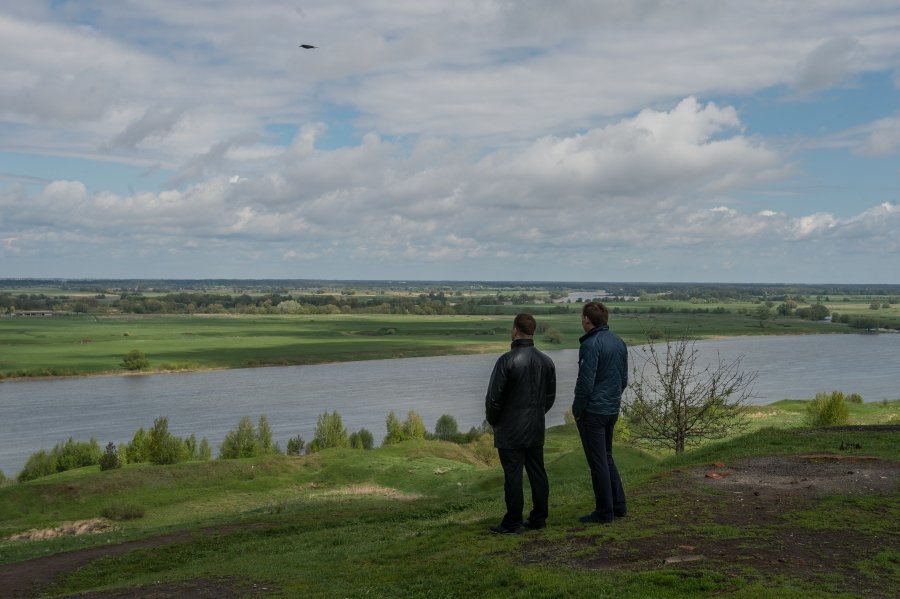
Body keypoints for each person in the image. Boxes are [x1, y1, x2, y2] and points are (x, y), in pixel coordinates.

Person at [485, 313, 557, 534]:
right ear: (532, 331)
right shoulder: (546, 361)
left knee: (513, 476)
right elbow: (550, 397)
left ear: (515, 330)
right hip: (535, 426)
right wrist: (537, 414)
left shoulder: (507, 360)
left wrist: (495, 422)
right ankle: (539, 518)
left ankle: (513, 522)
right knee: (537, 472)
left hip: (510, 428)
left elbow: (493, 399)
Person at [573, 301, 628, 524]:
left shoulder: (590, 344)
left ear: (587, 319)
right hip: (612, 408)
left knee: (598, 461)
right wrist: (613, 399)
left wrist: (577, 409)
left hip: (593, 411)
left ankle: (604, 512)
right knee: (606, 457)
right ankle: (619, 505)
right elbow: (623, 379)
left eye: (582, 317)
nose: (582, 320)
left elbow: (585, 384)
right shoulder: (618, 342)